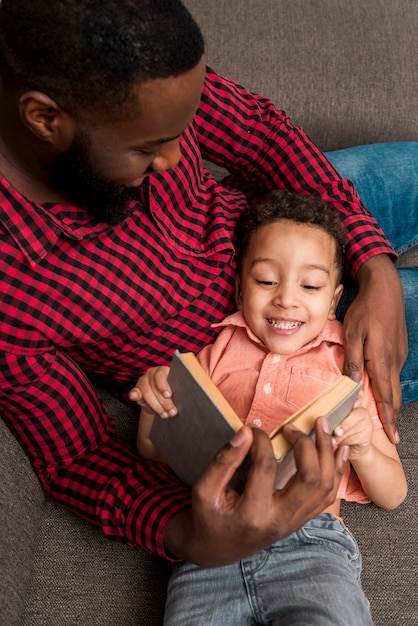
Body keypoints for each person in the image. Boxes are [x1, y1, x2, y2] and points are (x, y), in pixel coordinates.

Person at [0, 0, 415, 571]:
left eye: (178, 135)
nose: (175, 160)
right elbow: (78, 459)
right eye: (148, 148)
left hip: (291, 225)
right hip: (288, 352)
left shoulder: (142, 74)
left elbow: (261, 136)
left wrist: (373, 265)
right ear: (45, 120)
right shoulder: (11, 287)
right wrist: (189, 535)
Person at [133, 189, 407, 625]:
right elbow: (152, 449)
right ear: (241, 290)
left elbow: (393, 494)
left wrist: (363, 448)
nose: (285, 298)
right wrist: (154, 398)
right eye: (265, 281)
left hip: (312, 547)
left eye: (310, 285)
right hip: (210, 548)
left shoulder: (345, 373)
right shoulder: (216, 352)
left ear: (334, 300)